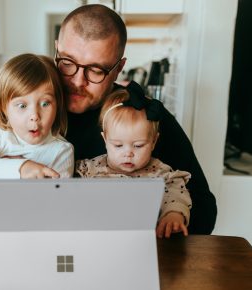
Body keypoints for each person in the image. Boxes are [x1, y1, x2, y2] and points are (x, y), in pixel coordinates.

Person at [0, 4, 217, 234]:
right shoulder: (25, 109)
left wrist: (154, 216)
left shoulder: (139, 115)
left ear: (119, 67)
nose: (76, 81)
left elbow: (204, 207)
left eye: (96, 70)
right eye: (67, 63)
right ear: (57, 48)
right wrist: (4, 178)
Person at [75, 89, 192, 238]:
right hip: (97, 239)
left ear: (154, 141)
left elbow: (176, 196)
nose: (128, 153)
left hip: (141, 241)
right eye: (118, 145)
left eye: (138, 145)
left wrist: (173, 215)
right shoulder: (88, 169)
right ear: (105, 140)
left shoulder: (161, 174)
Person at [0, 53, 74, 179]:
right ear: (4, 108)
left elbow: (57, 196)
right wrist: (22, 167)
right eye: (22, 106)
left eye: (45, 103)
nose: (34, 116)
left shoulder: (62, 151)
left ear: (57, 105)